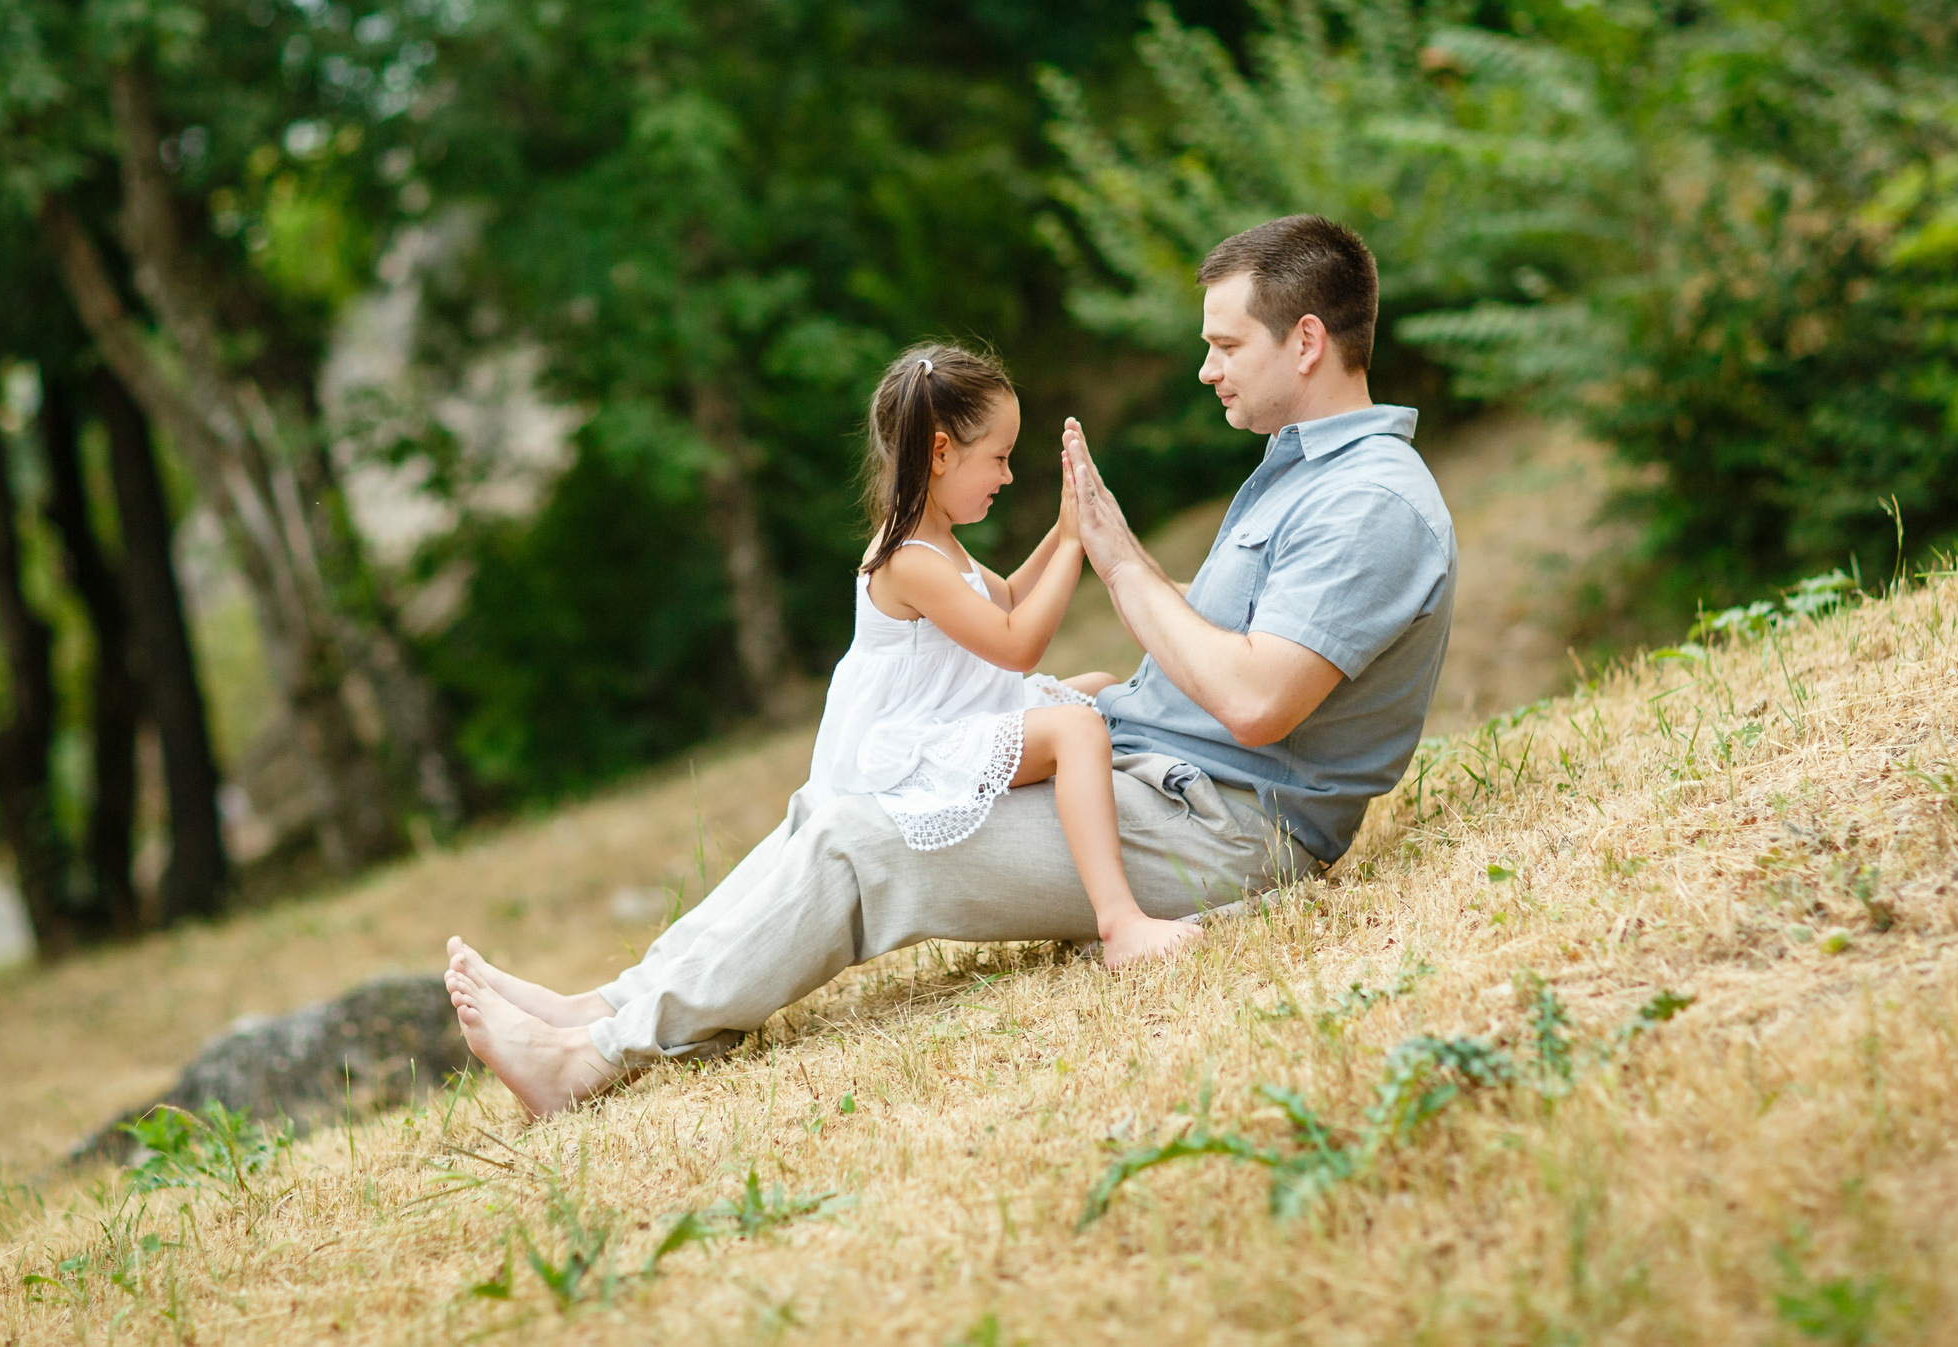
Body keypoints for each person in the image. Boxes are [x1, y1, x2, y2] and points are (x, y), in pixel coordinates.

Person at [445, 214, 1455, 1119]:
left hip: (1226, 828)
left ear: (1308, 341)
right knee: (833, 813)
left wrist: (1113, 556)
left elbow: (1254, 700)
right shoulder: (1297, 476)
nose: (1206, 369)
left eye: (1226, 344)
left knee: (860, 847)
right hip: (1162, 778)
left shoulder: (1365, 503)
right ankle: (607, 1005)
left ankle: (591, 1062)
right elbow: (1214, 656)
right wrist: (1111, 638)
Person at [806, 342, 1205, 969]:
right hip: (917, 744)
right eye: (999, 457)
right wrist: (1073, 546)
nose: (1008, 475)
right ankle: (1119, 921)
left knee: (1099, 685)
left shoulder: (938, 542)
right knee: (1075, 728)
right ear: (941, 453)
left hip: (959, 715)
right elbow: (1018, 645)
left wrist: (1067, 521)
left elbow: (1011, 595)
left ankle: (1164, 801)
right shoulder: (908, 558)